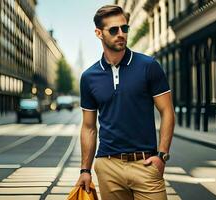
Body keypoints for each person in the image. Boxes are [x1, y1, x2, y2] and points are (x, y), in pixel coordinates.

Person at [76, 5, 175, 200]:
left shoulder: (149, 66)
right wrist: (84, 170)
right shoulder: (88, 77)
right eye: (114, 30)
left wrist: (162, 156)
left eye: (125, 28)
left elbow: (167, 112)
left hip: (145, 164)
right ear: (99, 33)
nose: (121, 34)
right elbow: (88, 127)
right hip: (108, 167)